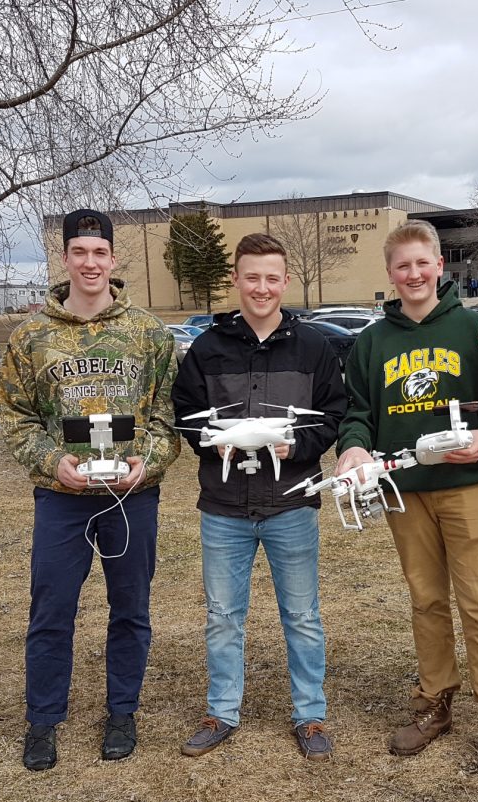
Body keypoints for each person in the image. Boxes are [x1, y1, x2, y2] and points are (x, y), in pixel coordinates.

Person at [336, 220, 478, 789]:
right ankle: (435, 700)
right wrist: (352, 448)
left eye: (423, 263)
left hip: (467, 487)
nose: (414, 274)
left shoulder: (476, 329)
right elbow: (358, 412)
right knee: (426, 599)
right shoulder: (372, 342)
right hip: (405, 489)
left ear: (441, 265)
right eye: (403, 266)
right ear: (390, 273)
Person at [0, 208, 181, 771]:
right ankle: (43, 719)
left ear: (113, 259)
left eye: (99, 253)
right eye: (80, 252)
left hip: (131, 495)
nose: (90, 262)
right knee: (51, 610)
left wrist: (143, 464)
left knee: (131, 608)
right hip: (62, 499)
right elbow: (16, 415)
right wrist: (54, 462)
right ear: (65, 259)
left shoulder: (148, 332)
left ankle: (122, 711)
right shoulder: (32, 335)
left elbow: (170, 415)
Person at [171, 233, 347, 761]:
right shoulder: (208, 347)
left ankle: (310, 715)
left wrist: (296, 447)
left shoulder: (314, 346)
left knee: (303, 615)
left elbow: (333, 415)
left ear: (285, 280)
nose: (262, 287)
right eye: (252, 277)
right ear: (236, 280)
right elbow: (185, 414)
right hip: (223, 508)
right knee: (223, 615)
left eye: (272, 277)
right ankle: (221, 711)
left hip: (291, 502)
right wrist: (213, 442)